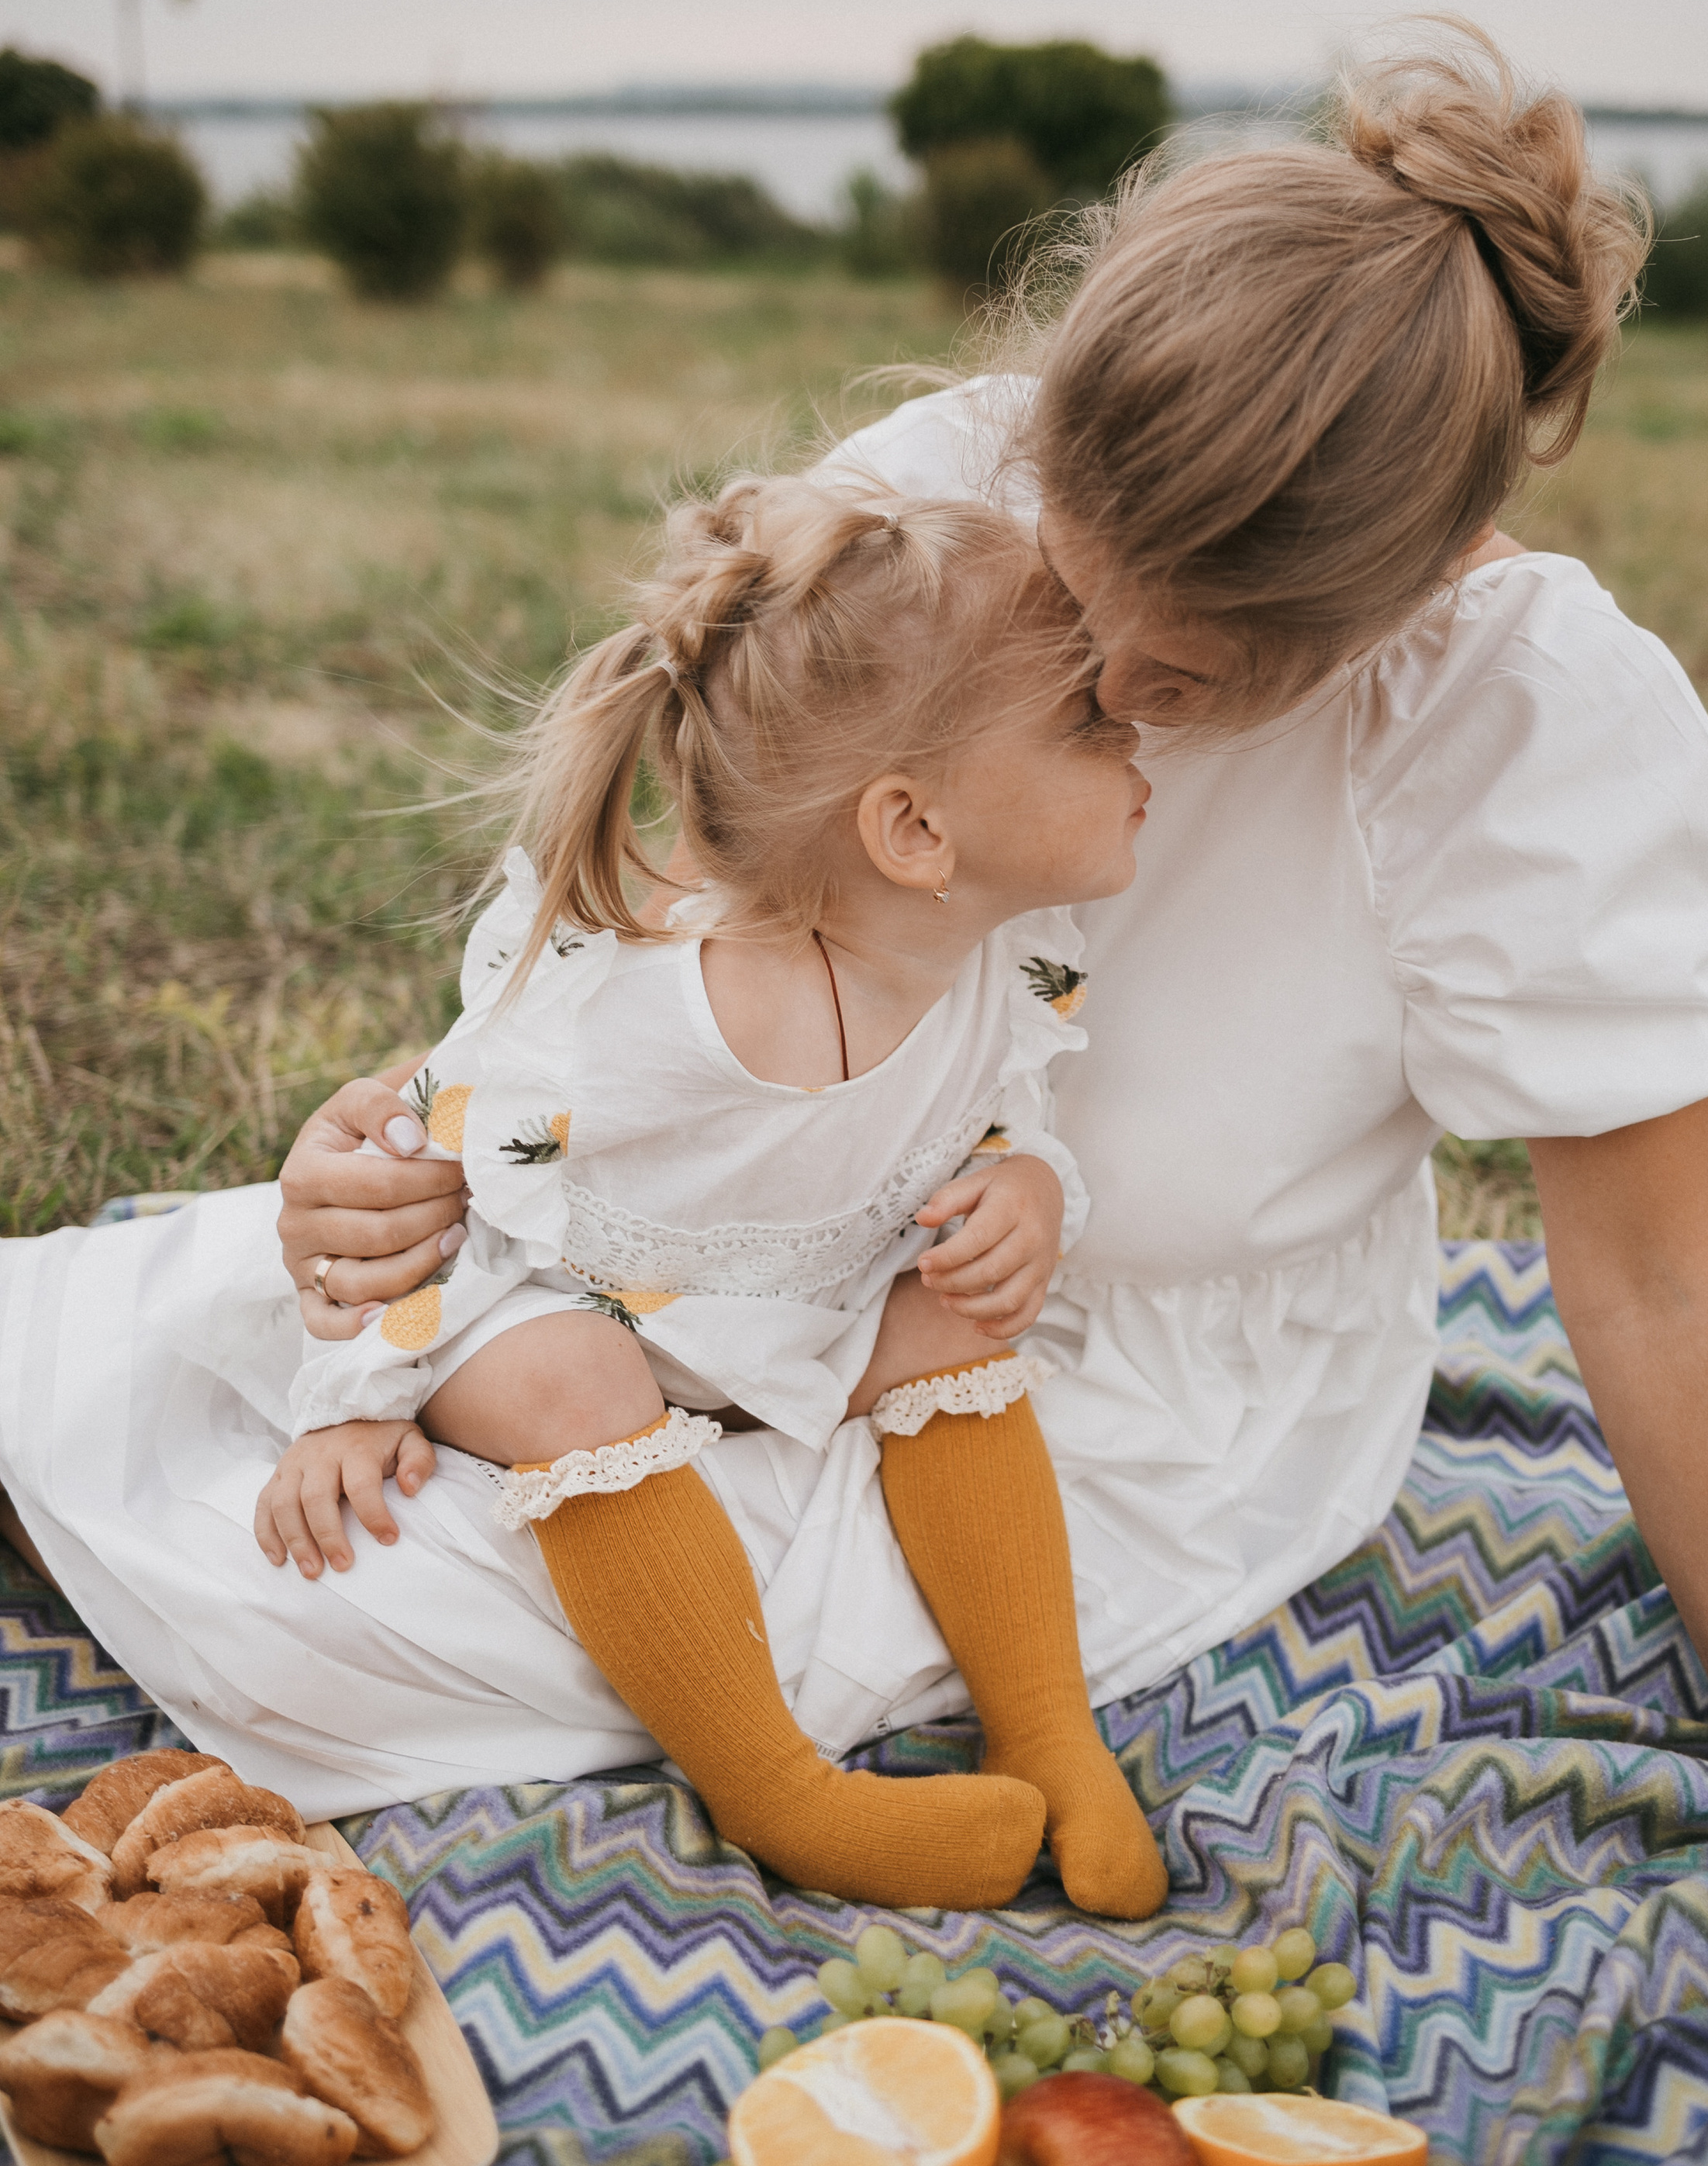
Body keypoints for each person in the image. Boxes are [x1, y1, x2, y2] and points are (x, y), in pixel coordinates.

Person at [271, 27, 1708, 1875]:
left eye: (1176, 686)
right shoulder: (939, 497)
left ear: (1394, 602)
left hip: (1135, 1378)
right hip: (748, 1227)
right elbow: (678, 908)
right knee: (305, 1471)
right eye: (1075, 607)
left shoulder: (1525, 717)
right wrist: (392, 1167)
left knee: (390, 1631)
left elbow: (1651, 1280)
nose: (1104, 692)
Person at [0, 475, 1164, 1916]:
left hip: (785, 1307)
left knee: (950, 1314)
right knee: (572, 1368)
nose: (1140, 737)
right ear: (914, 831)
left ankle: (1048, 1725)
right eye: (1093, 722)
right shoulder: (647, 1014)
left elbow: (1000, 1113)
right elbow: (415, 1172)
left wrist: (1026, 1189)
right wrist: (352, 1393)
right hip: (532, 1290)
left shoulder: (1007, 958)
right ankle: (782, 1795)